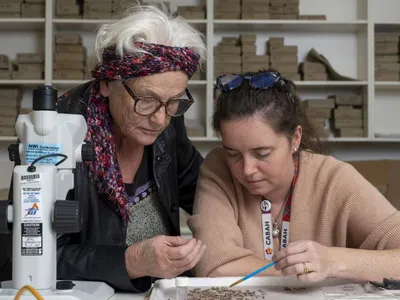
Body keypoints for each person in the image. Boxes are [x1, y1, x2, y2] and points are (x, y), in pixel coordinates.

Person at [0, 4, 207, 293]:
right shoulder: (50, 133)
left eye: (174, 101)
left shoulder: (169, 120)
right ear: (108, 82)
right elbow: (30, 253)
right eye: (146, 100)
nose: (160, 118)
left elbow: (204, 192)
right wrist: (132, 260)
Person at [187, 70, 400, 283]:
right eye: (233, 154)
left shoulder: (334, 178)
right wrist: (301, 273)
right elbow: (215, 267)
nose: (247, 170)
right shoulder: (218, 167)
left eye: (262, 154)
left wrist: (333, 260)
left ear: (295, 138)